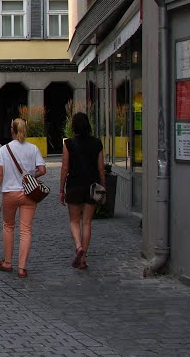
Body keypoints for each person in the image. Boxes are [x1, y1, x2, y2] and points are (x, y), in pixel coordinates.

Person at [0, 118, 47, 278]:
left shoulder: (4, 149)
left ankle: (7, 262)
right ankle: (22, 267)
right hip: (29, 194)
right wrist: (29, 175)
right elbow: (42, 170)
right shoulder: (33, 148)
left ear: (12, 130)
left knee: (8, 226)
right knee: (26, 230)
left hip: (9, 193)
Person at [59, 111, 105, 271]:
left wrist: (61, 189)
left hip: (74, 185)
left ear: (73, 126)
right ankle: (83, 259)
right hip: (92, 186)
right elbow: (101, 168)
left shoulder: (69, 144)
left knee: (74, 221)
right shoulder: (97, 143)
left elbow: (65, 167)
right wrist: (103, 187)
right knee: (87, 222)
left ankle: (78, 247)